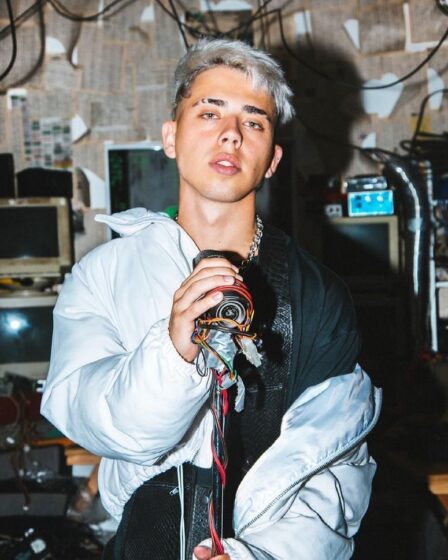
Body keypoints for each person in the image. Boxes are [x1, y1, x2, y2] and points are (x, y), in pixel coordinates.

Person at [41, 38, 381, 560]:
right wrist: (173, 353)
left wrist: (258, 555)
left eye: (254, 122)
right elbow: (102, 424)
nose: (231, 134)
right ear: (171, 137)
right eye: (209, 112)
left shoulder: (318, 294)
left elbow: (337, 471)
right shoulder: (103, 276)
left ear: (273, 160)